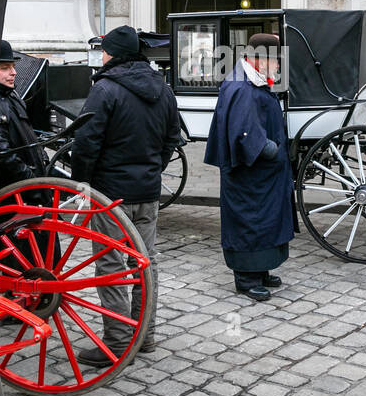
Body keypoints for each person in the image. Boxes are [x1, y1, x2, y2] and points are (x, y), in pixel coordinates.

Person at [70, 25, 183, 366]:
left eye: (104, 50)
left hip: (111, 195)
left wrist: (82, 183)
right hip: (146, 191)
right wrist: (153, 170)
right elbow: (171, 139)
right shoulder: (161, 88)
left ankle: (119, 343)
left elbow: (86, 143)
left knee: (111, 266)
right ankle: (144, 336)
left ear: (113, 54)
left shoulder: (105, 89)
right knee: (144, 264)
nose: (101, 56)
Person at [204, 33, 294, 301]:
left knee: (266, 221)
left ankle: (261, 269)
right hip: (250, 175)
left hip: (264, 176)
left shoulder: (250, 81)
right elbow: (244, 132)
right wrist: (270, 148)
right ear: (260, 60)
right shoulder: (241, 88)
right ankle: (246, 277)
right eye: (276, 61)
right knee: (250, 221)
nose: (278, 66)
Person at [0, 40, 46, 186]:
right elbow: (2, 154)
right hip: (15, 188)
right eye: (5, 68)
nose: (14, 72)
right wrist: (30, 180)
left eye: (13, 67)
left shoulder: (13, 96)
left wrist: (43, 159)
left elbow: (29, 134)